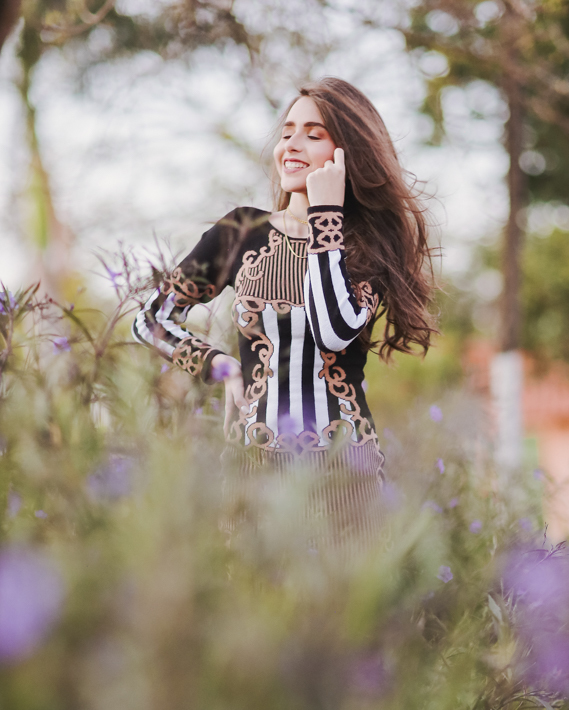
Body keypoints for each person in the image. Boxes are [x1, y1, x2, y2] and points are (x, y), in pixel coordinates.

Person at [132, 77, 435, 541]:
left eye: (314, 134)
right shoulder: (240, 231)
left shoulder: (365, 245)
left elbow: (334, 330)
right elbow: (150, 319)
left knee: (344, 611)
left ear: (346, 154)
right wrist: (221, 367)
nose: (291, 144)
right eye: (288, 131)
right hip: (253, 471)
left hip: (344, 474)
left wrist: (326, 219)